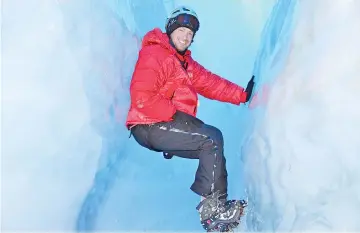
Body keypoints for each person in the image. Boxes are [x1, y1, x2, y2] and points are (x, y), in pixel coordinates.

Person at [125, 6, 255, 232]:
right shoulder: (156, 54)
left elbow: (210, 82)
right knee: (211, 139)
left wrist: (242, 95)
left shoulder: (183, 63)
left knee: (211, 142)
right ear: (170, 29)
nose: (186, 37)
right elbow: (141, 98)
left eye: (190, 34)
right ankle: (213, 212)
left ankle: (217, 204)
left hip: (162, 122)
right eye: (182, 30)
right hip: (148, 124)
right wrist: (175, 115)